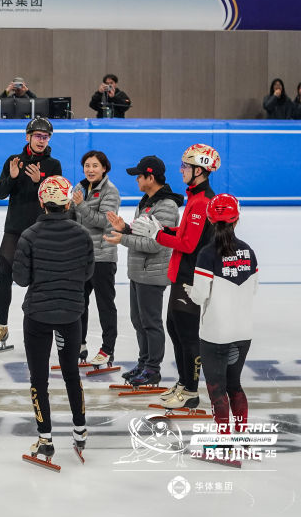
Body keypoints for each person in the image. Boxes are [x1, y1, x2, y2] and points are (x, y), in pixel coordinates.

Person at [131, 144, 218, 410]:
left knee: (187, 335)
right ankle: (183, 383)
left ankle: (191, 391)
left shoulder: (202, 201)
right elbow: (186, 233)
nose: (181, 170)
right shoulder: (194, 197)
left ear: (199, 171)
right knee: (174, 328)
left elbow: (189, 244)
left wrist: (157, 234)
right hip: (182, 274)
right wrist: (167, 228)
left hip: (191, 277)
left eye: (186, 167)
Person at [13, 176, 92, 465]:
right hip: (71, 313)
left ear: (41, 202)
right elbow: (86, 274)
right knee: (72, 373)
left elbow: (21, 279)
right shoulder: (82, 234)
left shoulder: (29, 235)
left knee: (39, 378)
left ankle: (45, 438)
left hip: (38, 315)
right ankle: (80, 430)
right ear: (68, 202)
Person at [104, 156, 181, 387]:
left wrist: (123, 238)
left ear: (151, 177)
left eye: (139, 175)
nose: (136, 179)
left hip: (152, 273)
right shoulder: (147, 201)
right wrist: (125, 227)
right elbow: (143, 233)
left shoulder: (166, 206)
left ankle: (152, 369)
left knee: (151, 323)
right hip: (139, 272)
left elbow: (157, 243)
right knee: (139, 321)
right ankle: (144, 362)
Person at [0, 117, 62, 353]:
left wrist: (41, 182)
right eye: (38, 136)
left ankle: (42, 325)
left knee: (41, 279)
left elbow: (57, 200)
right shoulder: (14, 161)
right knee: (3, 274)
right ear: (27, 136)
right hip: (15, 229)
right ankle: (2, 325)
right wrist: (13, 177)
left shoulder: (53, 164)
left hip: (42, 230)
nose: (41, 140)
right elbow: (0, 193)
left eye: (45, 136)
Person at [185, 194, 257, 437]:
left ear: (209, 219)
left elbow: (199, 297)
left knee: (217, 388)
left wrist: (191, 290)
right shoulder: (249, 252)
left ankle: (224, 442)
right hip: (243, 332)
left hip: (215, 334)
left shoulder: (207, 254)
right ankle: (243, 438)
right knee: (234, 385)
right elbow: (253, 289)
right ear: (237, 219)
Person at [71, 150, 120, 367]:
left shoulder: (110, 191)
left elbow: (103, 222)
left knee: (105, 305)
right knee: (79, 303)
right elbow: (73, 217)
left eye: (95, 166)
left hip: (102, 257)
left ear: (104, 168)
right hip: (80, 257)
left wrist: (80, 205)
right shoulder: (80, 188)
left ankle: (107, 349)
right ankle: (79, 345)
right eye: (87, 165)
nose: (90, 169)